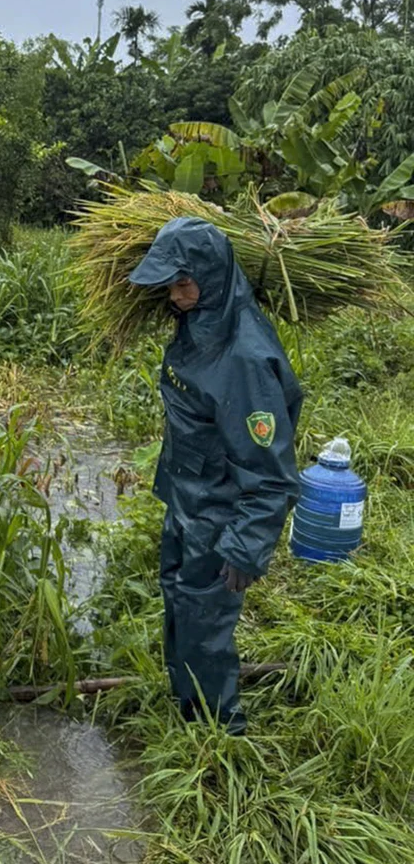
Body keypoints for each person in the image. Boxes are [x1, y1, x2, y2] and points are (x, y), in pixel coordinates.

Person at [128, 216, 303, 735]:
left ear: (213, 274)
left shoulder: (245, 360)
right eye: (170, 284)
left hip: (221, 514)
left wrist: (247, 545)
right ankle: (187, 708)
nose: (175, 296)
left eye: (184, 282)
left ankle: (218, 733)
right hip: (187, 500)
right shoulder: (200, 320)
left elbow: (272, 471)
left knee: (206, 625)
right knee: (180, 605)